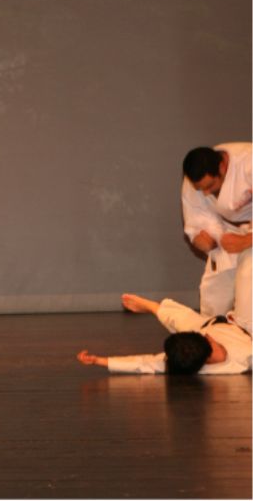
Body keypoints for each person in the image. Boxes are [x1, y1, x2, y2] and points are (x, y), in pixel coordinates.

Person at [77, 293, 251, 375]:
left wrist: (99, 360)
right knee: (181, 319)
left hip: (210, 326)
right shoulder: (246, 354)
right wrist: (99, 361)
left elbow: (144, 363)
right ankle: (153, 307)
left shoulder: (191, 358)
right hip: (234, 327)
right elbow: (145, 363)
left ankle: (152, 307)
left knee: (181, 319)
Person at [181, 144, 251, 322]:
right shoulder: (193, 183)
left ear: (222, 166)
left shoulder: (248, 163)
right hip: (226, 233)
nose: (206, 192)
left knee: (248, 295)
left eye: (210, 185)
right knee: (212, 300)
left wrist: (247, 240)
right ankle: (210, 335)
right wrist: (204, 241)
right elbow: (195, 223)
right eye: (200, 188)